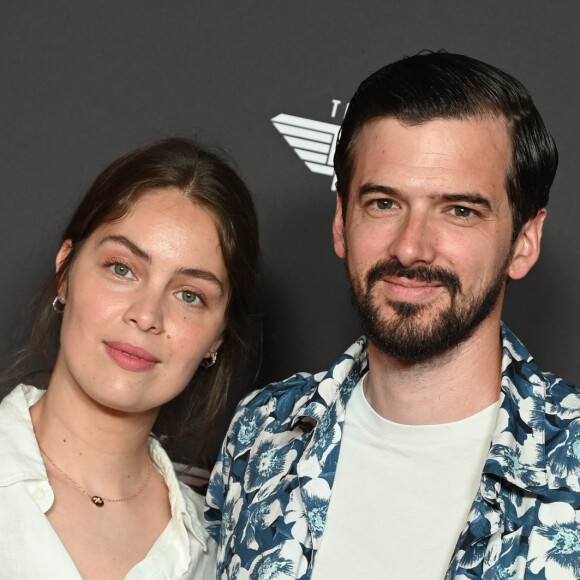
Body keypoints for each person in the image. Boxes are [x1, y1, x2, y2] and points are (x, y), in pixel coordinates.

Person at [206, 52, 580, 579]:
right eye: (384, 203)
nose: (410, 248)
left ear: (524, 240)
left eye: (459, 211)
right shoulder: (263, 432)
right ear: (341, 221)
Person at [0, 138, 260, 579]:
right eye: (122, 269)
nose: (147, 315)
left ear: (217, 337)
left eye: (190, 295)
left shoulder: (224, 556)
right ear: (66, 272)